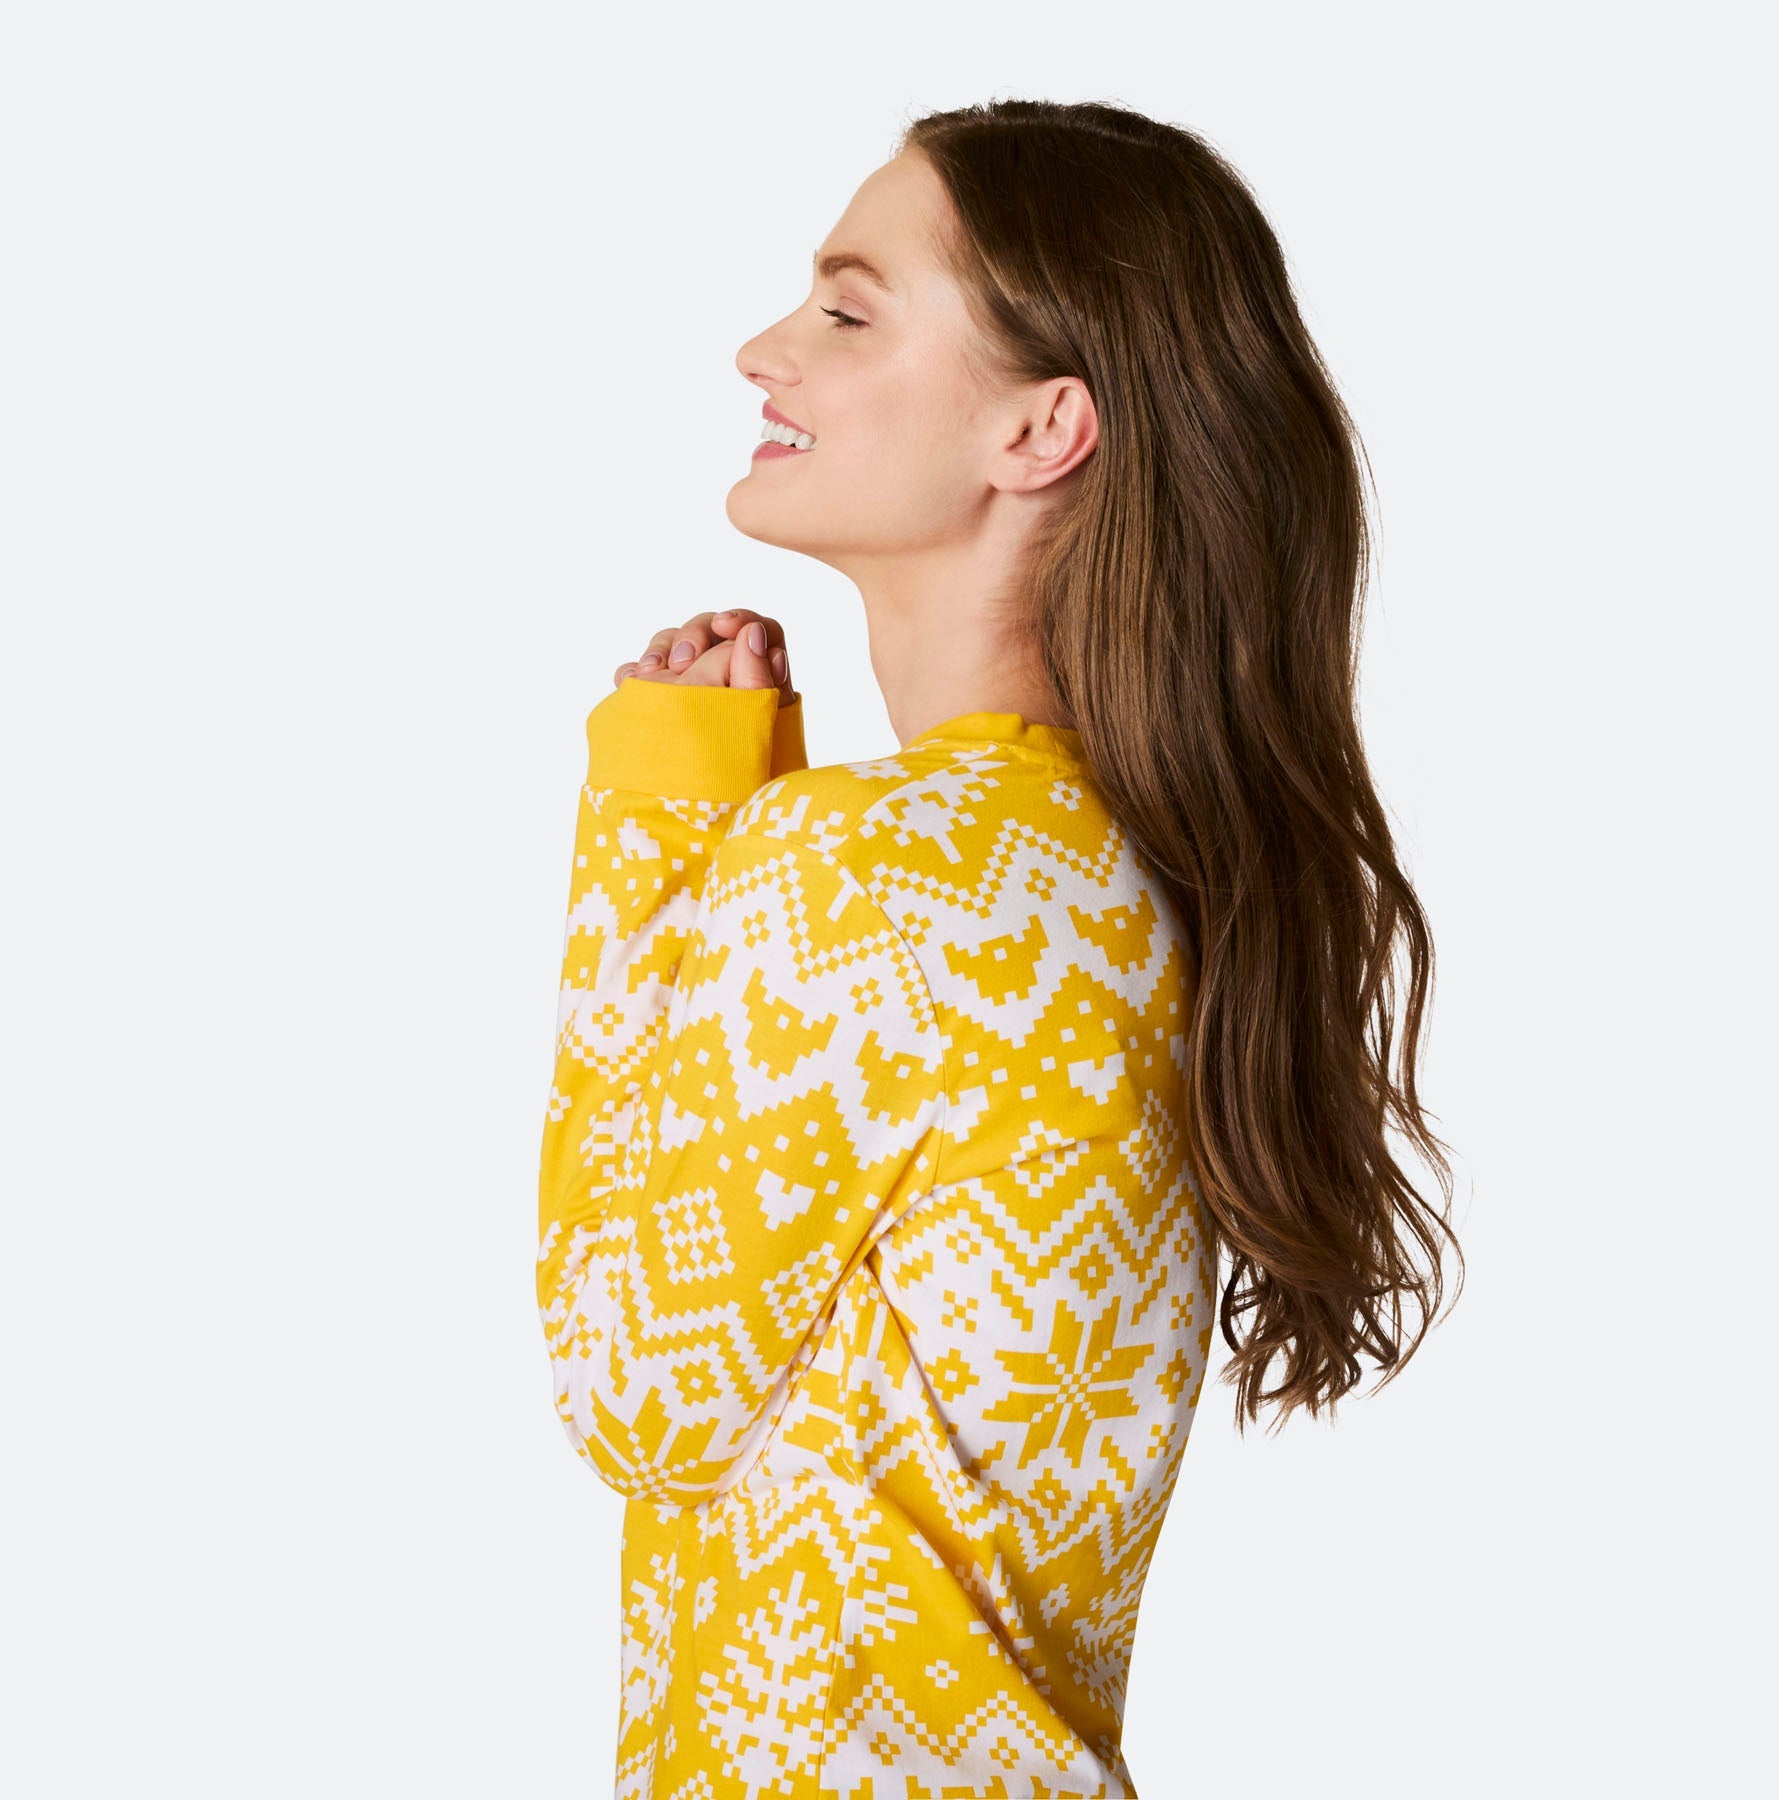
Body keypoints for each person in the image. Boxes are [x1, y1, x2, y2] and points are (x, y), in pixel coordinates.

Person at [536, 97, 1460, 1798]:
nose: (765, 349)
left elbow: (634, 1386)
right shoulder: (1125, 874)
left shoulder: (876, 864)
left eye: (849, 309)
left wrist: (660, 827)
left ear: (1043, 428)